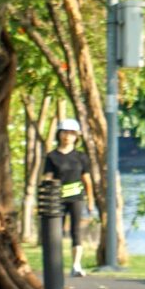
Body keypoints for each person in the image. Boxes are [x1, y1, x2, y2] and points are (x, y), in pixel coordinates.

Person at [40, 118, 97, 276]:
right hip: (57, 200)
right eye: (65, 132)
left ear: (76, 136)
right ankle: (55, 264)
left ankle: (76, 265)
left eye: (71, 133)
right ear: (59, 134)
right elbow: (48, 177)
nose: (67, 136)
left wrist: (90, 201)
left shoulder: (81, 157)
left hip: (76, 199)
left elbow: (87, 180)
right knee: (56, 232)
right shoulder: (52, 156)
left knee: (76, 231)